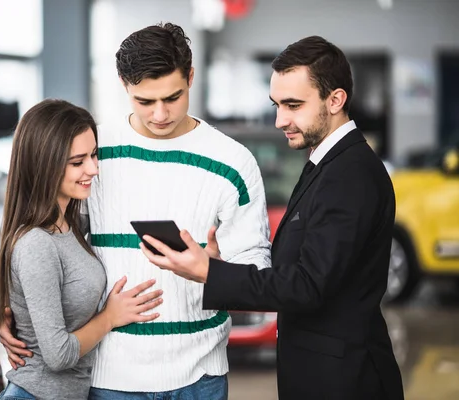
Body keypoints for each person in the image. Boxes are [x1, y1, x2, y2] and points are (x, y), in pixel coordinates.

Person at [0, 23, 272, 399]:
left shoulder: (234, 163)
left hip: (200, 375)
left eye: (172, 97)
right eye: (144, 101)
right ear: (123, 84)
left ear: (191, 77)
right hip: (111, 376)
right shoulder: (93, 152)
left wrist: (216, 269)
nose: (159, 114)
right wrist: (11, 306)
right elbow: (45, 237)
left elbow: (258, 272)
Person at [140, 36, 405, 400]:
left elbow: (307, 286)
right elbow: (299, 268)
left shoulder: (349, 174)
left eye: (293, 105)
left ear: (336, 100)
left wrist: (208, 272)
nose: (281, 119)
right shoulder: (328, 164)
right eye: (277, 105)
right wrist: (221, 265)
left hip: (344, 382)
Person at [0, 99, 163, 400]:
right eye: (78, 162)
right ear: (43, 164)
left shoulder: (70, 224)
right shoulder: (36, 243)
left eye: (94, 155)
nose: (93, 169)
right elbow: (58, 354)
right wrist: (110, 316)